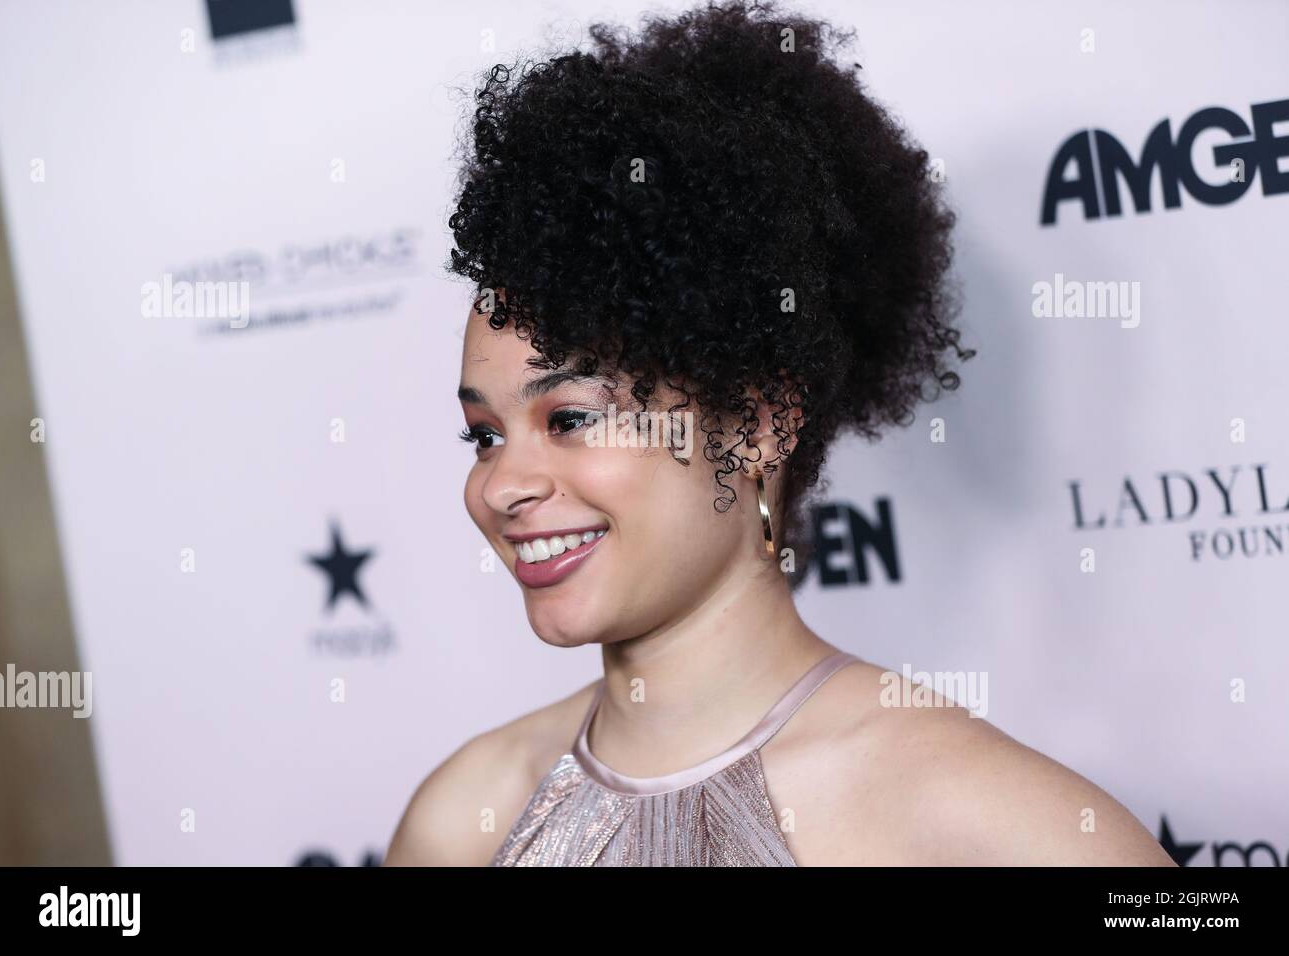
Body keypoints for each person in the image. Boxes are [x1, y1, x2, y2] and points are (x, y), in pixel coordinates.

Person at [385, 0, 1173, 866]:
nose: (501, 487)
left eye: (569, 418)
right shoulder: (463, 816)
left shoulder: (983, 823)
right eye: (484, 435)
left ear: (758, 423)